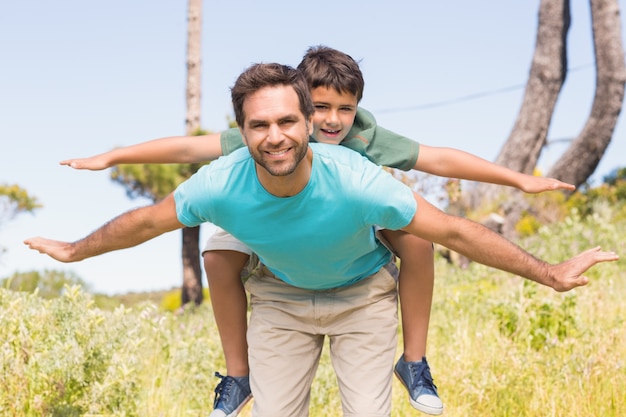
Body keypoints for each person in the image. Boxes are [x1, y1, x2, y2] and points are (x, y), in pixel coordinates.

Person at [26, 62, 617, 417]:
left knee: (414, 235)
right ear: (244, 129)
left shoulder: (362, 170)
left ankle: (414, 360)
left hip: (360, 290)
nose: (278, 134)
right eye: (260, 125)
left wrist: (549, 267)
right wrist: (79, 242)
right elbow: (150, 215)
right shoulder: (228, 170)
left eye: (293, 122)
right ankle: (240, 372)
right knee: (218, 244)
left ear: (310, 122)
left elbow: (456, 227)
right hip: (280, 293)